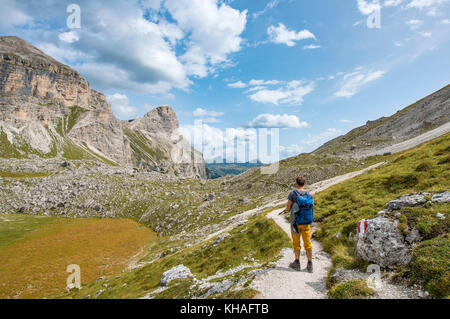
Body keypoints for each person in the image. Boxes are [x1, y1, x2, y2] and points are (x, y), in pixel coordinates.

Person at [281, 176, 313, 272]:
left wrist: (286, 210)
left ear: (296, 183)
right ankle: (310, 264)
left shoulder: (293, 194)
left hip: (295, 222)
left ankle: (297, 262)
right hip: (306, 222)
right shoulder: (308, 194)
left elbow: (288, 207)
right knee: (307, 243)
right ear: (304, 184)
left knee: (296, 242)